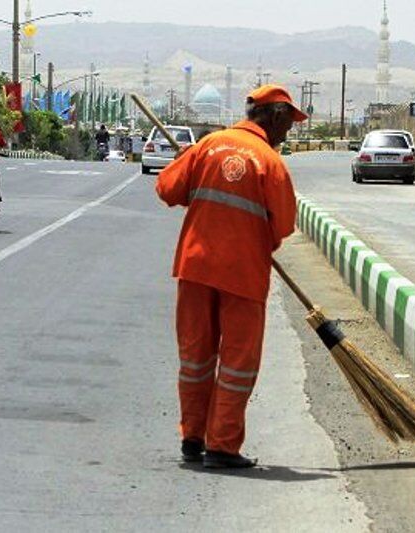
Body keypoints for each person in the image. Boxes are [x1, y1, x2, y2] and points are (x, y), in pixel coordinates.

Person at [155, 85, 308, 469]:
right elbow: (285, 225)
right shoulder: (270, 163)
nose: (287, 133)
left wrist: (191, 176)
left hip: (195, 268)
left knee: (196, 358)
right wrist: (258, 236)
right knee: (238, 364)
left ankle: (193, 437)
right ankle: (221, 445)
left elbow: (167, 189)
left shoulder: (208, 146)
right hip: (243, 275)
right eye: (288, 124)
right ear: (273, 117)